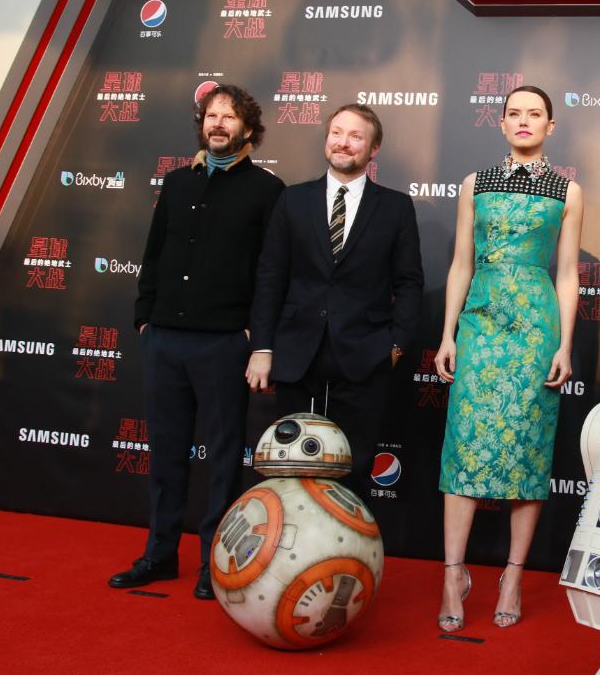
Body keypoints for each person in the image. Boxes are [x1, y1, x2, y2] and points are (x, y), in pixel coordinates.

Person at [110, 84, 284, 599]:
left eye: (229, 117)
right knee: (165, 453)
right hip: (164, 338)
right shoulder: (177, 181)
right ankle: (160, 554)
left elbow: (270, 272)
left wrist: (256, 335)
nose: (218, 124)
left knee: (225, 457)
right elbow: (154, 251)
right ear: (202, 124)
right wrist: (146, 316)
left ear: (247, 129)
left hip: (224, 343)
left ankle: (217, 561)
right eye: (211, 115)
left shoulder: (267, 191)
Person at [434, 85, 583, 632]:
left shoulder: (567, 191)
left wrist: (564, 344)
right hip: (481, 323)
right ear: (500, 124)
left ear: (551, 125)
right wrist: (448, 334)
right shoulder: (475, 184)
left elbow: (567, 274)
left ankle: (512, 576)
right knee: (465, 443)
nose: (524, 121)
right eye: (514, 114)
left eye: (535, 114)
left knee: (527, 446)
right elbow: (459, 263)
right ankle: (453, 575)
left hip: (536, 329)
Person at [245, 104, 423, 499]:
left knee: (353, 465)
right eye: (337, 133)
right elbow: (270, 278)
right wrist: (262, 347)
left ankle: (345, 555)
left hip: (364, 354)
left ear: (373, 149)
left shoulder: (394, 207)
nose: (344, 142)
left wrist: (394, 346)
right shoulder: (293, 200)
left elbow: (409, 283)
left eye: (356, 136)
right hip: (296, 353)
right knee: (290, 463)